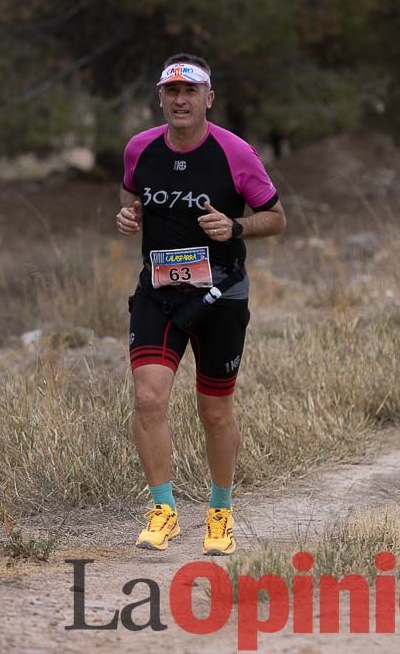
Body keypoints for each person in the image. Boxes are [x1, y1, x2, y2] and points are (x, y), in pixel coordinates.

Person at [115, 54, 287, 555]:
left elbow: (275, 217)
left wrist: (235, 227)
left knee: (214, 410)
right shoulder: (139, 149)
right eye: (172, 92)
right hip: (160, 292)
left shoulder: (235, 153)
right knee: (148, 398)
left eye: (191, 91)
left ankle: (220, 512)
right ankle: (163, 510)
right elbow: (132, 200)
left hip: (220, 295)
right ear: (161, 98)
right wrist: (128, 220)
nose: (181, 100)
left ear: (209, 99)